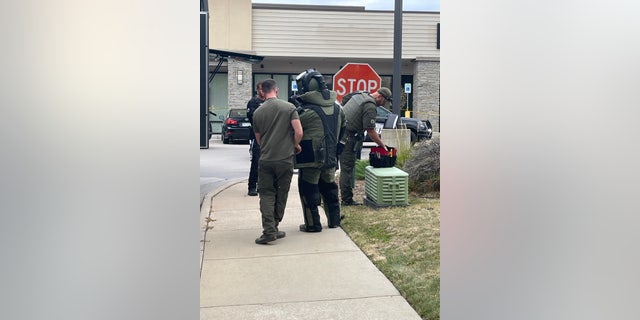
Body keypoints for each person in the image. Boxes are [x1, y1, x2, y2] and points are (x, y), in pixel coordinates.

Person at [290, 68, 346, 232]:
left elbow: (292, 127)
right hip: (330, 157)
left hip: (311, 158)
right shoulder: (338, 109)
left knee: (309, 191)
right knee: (329, 190)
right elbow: (344, 129)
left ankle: (313, 224)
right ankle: (334, 221)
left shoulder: (305, 112)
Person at [251, 79, 303, 244]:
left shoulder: (258, 113)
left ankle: (269, 230)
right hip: (285, 159)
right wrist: (295, 144)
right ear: (276, 90)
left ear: (262, 92)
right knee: (282, 193)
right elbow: (299, 131)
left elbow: (258, 139)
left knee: (266, 194)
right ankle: (274, 225)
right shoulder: (289, 108)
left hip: (266, 159)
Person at [338, 87, 391, 206]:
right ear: (380, 97)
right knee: (347, 169)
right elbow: (371, 131)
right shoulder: (370, 106)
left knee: (347, 168)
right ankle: (347, 200)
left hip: (341, 133)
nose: (384, 104)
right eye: (385, 101)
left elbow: (344, 100)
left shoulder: (360, 95)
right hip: (348, 138)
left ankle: (347, 197)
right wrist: (382, 145)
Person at [246, 81, 265, 196]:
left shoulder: (270, 101)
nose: (262, 92)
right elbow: (252, 118)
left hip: (270, 136)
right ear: (257, 90)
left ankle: (262, 185)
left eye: (264, 89)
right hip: (257, 135)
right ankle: (252, 186)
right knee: (256, 161)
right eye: (260, 89)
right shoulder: (253, 102)